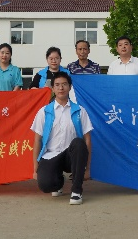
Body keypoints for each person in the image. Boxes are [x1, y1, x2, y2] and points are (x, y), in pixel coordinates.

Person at [31, 71, 93, 205]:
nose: (61, 88)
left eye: (64, 84)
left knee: (79, 143)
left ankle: (76, 191)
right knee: (46, 185)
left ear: (70, 87)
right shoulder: (44, 112)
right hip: (51, 155)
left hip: (71, 156)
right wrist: (36, 167)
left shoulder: (79, 111)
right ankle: (58, 182)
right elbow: (37, 140)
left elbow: (88, 140)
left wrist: (87, 169)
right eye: (57, 85)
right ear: (53, 88)